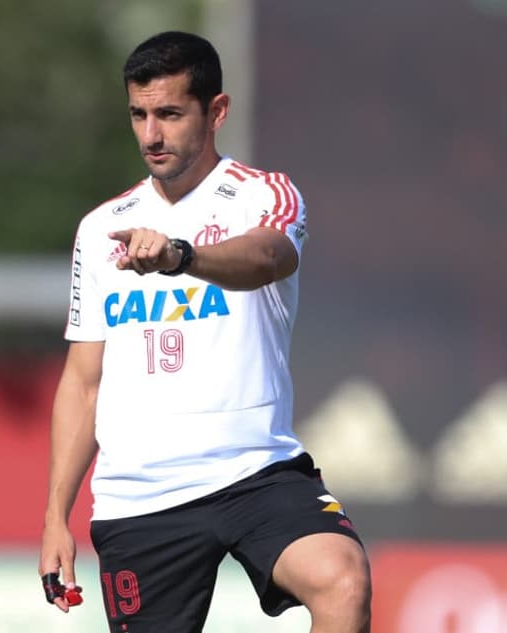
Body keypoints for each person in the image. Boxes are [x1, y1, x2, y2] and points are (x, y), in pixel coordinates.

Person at [38, 31, 371, 633]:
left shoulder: (264, 195)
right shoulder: (100, 229)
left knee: (342, 580)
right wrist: (54, 517)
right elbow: (84, 384)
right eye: (138, 114)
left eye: (169, 113)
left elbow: (266, 258)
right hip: (139, 499)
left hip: (256, 474)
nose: (150, 135)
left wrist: (179, 257)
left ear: (215, 111)